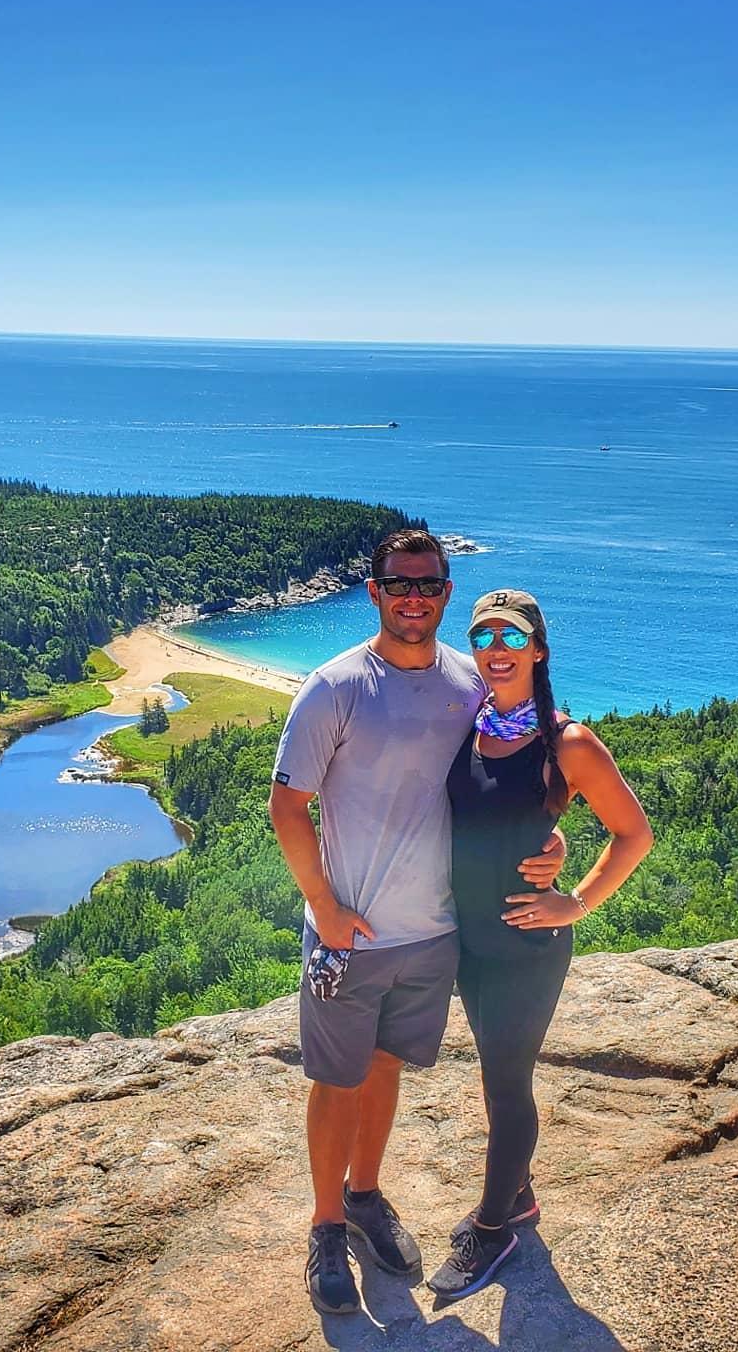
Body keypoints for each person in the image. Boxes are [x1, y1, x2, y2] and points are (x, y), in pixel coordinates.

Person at [268, 531, 567, 1317]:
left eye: (428, 585)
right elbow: (287, 806)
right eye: (398, 583)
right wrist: (324, 908)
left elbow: (530, 757)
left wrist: (551, 835)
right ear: (373, 591)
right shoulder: (334, 687)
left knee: (385, 1069)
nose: (413, 597)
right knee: (336, 1081)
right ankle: (326, 1228)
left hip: (434, 934)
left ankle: (364, 1198)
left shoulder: (470, 682)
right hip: (351, 935)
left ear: (445, 593)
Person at [424, 588, 653, 1300]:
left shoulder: (567, 743)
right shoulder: (467, 725)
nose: (497, 649)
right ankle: (518, 1194)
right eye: (484, 636)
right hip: (471, 941)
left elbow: (633, 834)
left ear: (539, 650)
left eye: (513, 637)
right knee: (496, 1072)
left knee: (507, 1081)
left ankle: (493, 1229)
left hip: (527, 945)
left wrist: (574, 900)